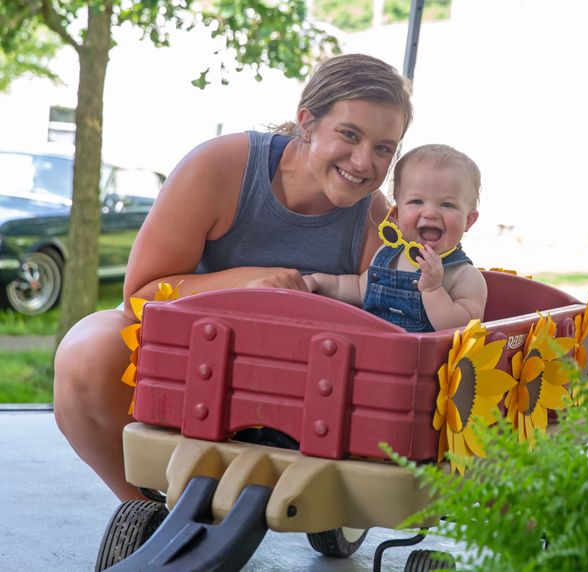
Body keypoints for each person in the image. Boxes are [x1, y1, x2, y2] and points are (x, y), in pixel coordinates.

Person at [53, 53, 413, 501]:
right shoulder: (222, 167)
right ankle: (143, 507)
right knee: (87, 352)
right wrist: (243, 284)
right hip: (191, 362)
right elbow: (138, 298)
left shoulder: (377, 222)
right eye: (348, 134)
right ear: (307, 122)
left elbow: (390, 333)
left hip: (304, 390)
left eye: (383, 148)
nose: (363, 162)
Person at [303, 144, 486, 331]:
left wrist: (433, 290)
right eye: (417, 201)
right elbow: (358, 287)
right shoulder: (387, 256)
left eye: (447, 205)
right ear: (396, 215)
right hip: (373, 350)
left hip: (422, 359)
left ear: (469, 220)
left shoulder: (464, 275)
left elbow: (463, 328)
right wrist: (318, 281)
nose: (430, 212)